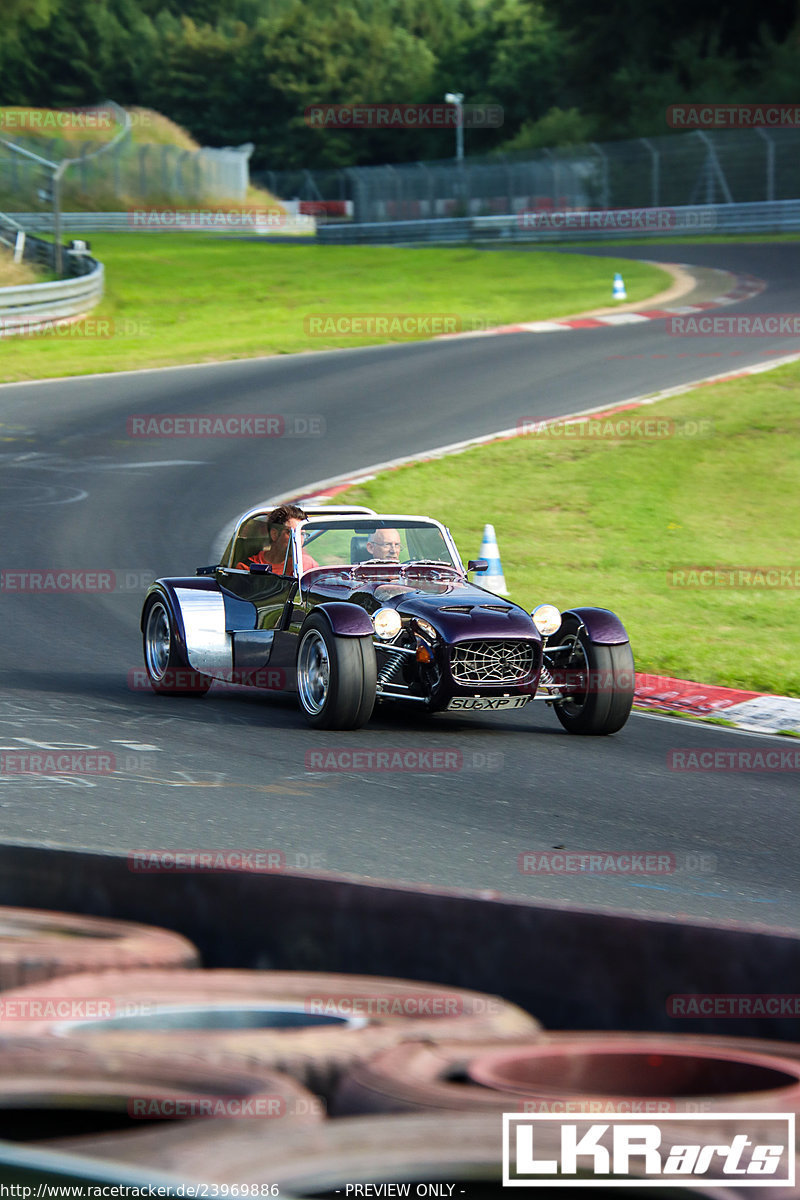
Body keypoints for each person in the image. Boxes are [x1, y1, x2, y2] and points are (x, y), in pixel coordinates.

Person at [237, 503, 319, 574]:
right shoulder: (248, 567)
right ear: (274, 534)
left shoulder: (308, 565)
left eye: (302, 534)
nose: (299, 539)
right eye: (291, 533)